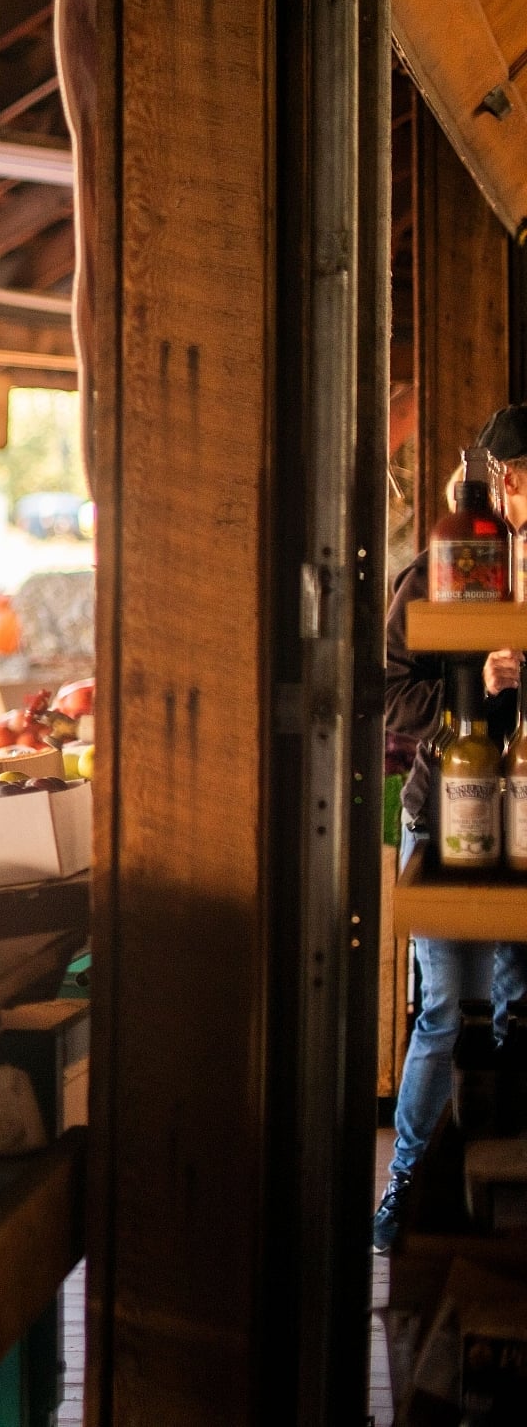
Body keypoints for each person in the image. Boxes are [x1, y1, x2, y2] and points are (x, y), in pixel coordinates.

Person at [375, 404, 527, 1250]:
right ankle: (403, 1195)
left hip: (523, 817)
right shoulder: (441, 566)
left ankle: (494, 1201)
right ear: (505, 480)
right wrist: (474, 699)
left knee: (516, 1007)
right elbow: (390, 694)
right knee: (439, 1011)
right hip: (443, 808)